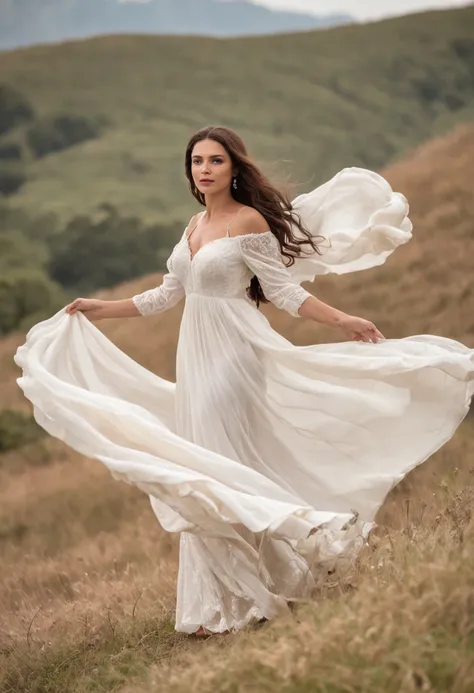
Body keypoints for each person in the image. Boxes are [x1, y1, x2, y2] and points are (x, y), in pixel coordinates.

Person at [15, 126, 474, 637]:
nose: (204, 169)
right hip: (195, 360)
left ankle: (262, 583)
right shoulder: (194, 224)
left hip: (236, 354)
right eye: (196, 161)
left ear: (235, 167)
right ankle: (227, 599)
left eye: (215, 160)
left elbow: (281, 290)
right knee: (211, 467)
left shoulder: (247, 220)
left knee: (215, 468)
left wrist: (344, 320)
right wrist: (98, 309)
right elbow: (167, 294)